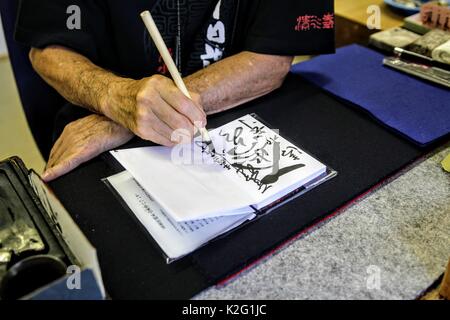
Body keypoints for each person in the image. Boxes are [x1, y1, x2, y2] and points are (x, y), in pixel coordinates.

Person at [15, 0, 335, 181]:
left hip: (235, 116)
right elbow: (47, 48)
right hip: (99, 117)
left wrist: (151, 110)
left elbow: (272, 58)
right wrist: (115, 97)